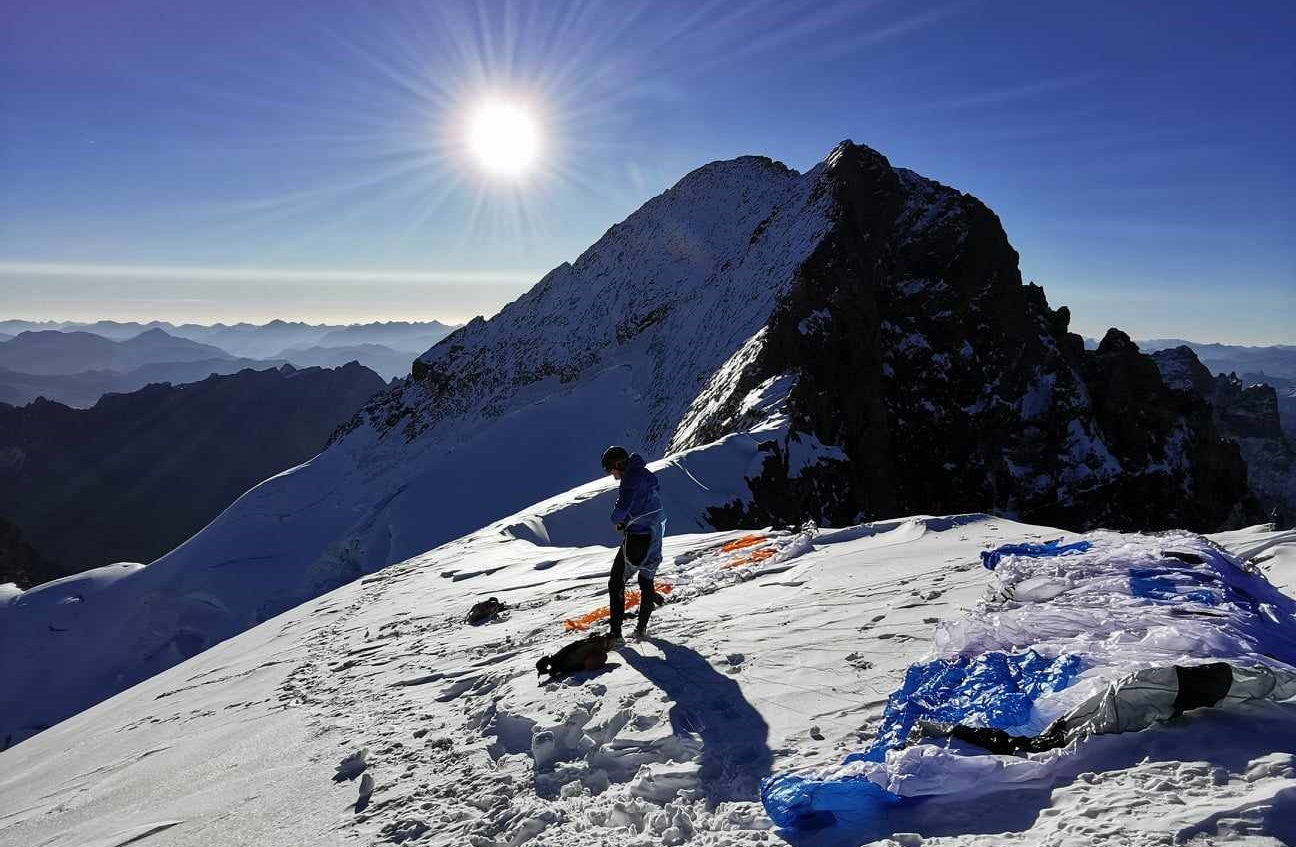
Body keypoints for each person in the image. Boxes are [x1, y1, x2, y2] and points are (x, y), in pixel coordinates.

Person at [601, 445, 667, 643]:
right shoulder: (645, 474)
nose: (611, 474)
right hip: (655, 535)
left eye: (610, 469)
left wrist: (617, 520)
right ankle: (641, 630)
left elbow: (622, 508)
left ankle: (615, 634)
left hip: (638, 538)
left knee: (615, 582)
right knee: (645, 581)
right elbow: (644, 501)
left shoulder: (630, 479)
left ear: (618, 464)